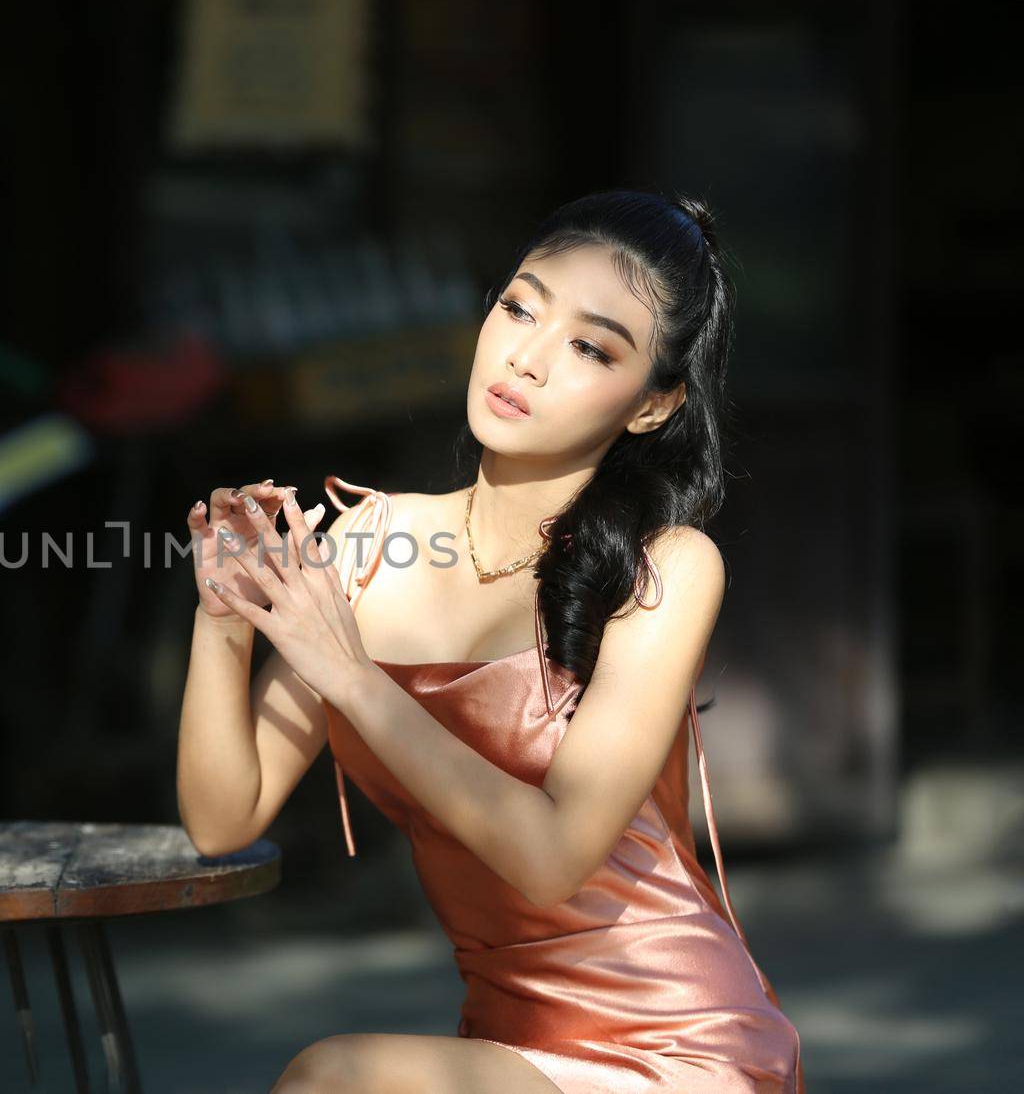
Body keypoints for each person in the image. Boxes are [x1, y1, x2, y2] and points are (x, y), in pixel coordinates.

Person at [175, 189, 806, 1093]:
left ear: (653, 404)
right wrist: (224, 621)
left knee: (334, 1078)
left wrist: (355, 677)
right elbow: (221, 816)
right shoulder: (369, 544)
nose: (529, 358)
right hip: (511, 1046)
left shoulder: (667, 568)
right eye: (519, 306)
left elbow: (550, 858)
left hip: (680, 1046)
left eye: (591, 347)